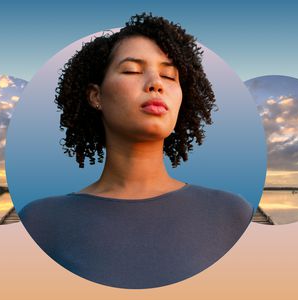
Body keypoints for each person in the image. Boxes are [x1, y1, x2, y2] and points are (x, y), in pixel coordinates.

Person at [19, 13, 253, 289]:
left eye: (169, 75)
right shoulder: (39, 222)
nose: (156, 83)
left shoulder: (232, 215)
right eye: (132, 70)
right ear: (96, 96)